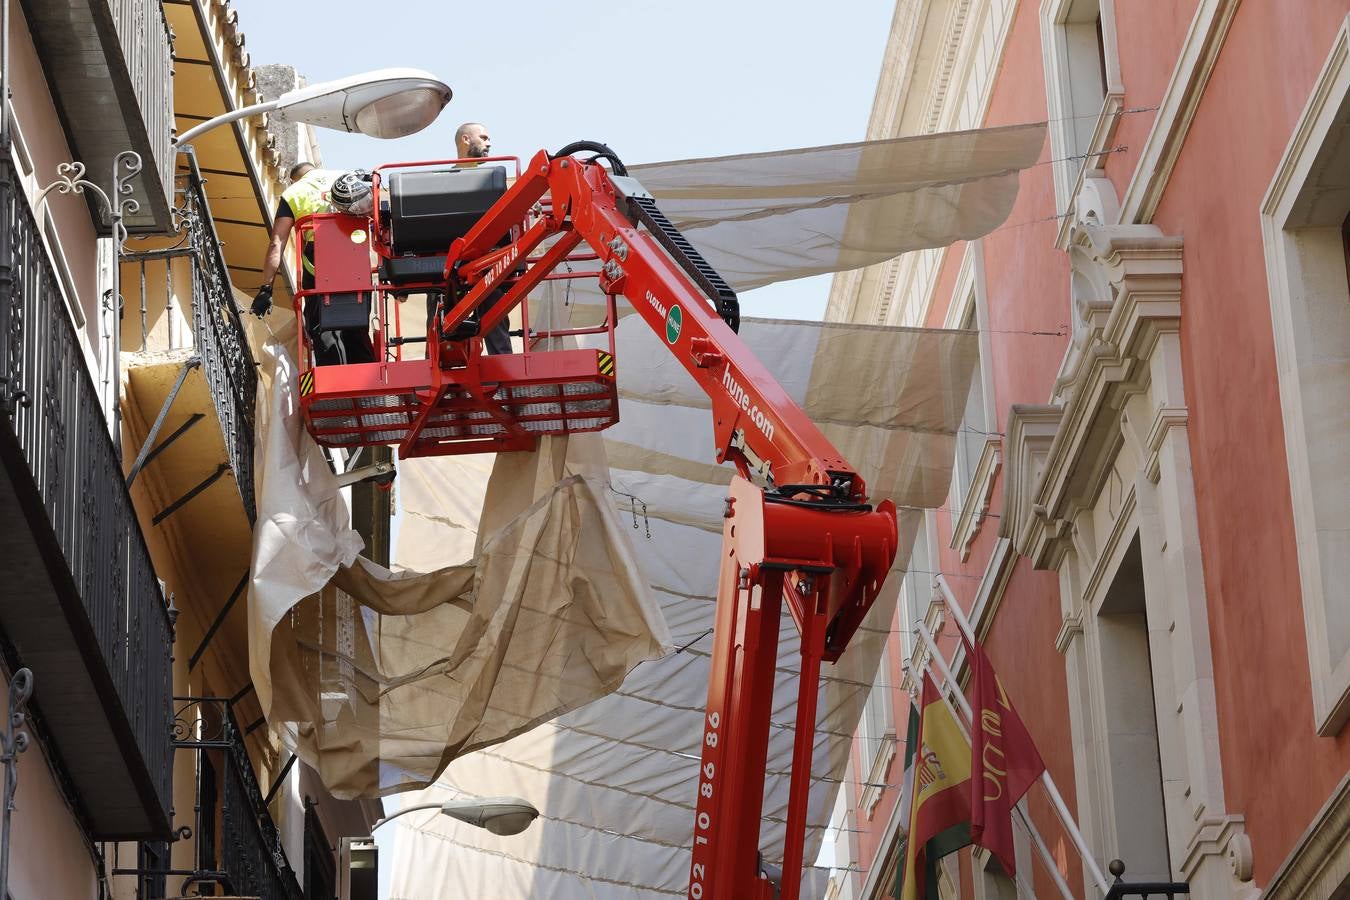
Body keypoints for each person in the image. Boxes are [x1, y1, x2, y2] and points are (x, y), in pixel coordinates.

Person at [251, 162, 377, 366]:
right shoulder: (346, 176)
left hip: (319, 269)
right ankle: (369, 380)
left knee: (323, 330)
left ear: (294, 179)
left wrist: (266, 288)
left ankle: (334, 382)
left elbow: (277, 242)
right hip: (356, 265)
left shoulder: (293, 193)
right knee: (357, 328)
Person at [435, 122, 513, 354]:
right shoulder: (442, 179)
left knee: (495, 317)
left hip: (487, 262)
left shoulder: (493, 179)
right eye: (484, 137)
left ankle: (504, 369)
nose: (489, 143)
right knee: (439, 315)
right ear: (466, 139)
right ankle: (439, 365)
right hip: (449, 264)